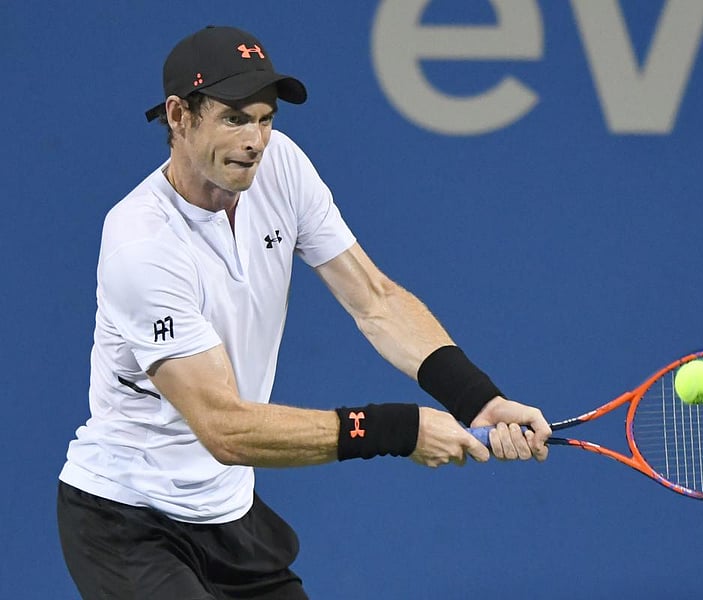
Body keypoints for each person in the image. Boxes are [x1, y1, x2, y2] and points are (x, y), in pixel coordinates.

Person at [57, 25, 551, 600]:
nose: (256, 140)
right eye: (235, 118)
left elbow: (375, 300)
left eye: (265, 119)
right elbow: (225, 427)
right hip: (127, 521)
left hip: (229, 512)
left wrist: (479, 399)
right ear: (178, 116)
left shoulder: (282, 168)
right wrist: (397, 429)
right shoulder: (141, 243)